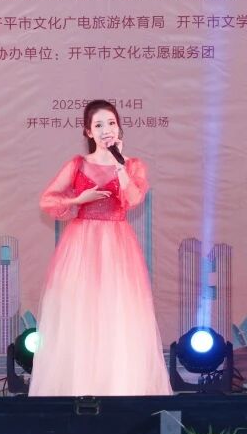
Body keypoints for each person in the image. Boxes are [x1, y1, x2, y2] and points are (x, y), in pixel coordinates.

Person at [29, 100, 171, 396]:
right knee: (81, 313)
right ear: (88, 131)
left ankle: (119, 389)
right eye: (99, 125)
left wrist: (120, 167)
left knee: (118, 313)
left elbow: (133, 199)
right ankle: (79, 390)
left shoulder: (132, 165)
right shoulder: (77, 164)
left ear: (119, 127)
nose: (106, 129)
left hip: (117, 246)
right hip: (81, 245)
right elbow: (47, 200)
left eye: (111, 123)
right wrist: (77, 200)